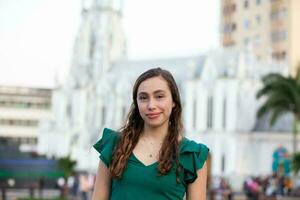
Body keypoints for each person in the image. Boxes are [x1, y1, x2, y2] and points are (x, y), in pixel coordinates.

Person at [92, 68, 209, 200]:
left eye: (159, 96)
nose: (151, 105)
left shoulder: (192, 155)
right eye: (143, 98)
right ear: (136, 103)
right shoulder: (114, 144)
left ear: (174, 101)